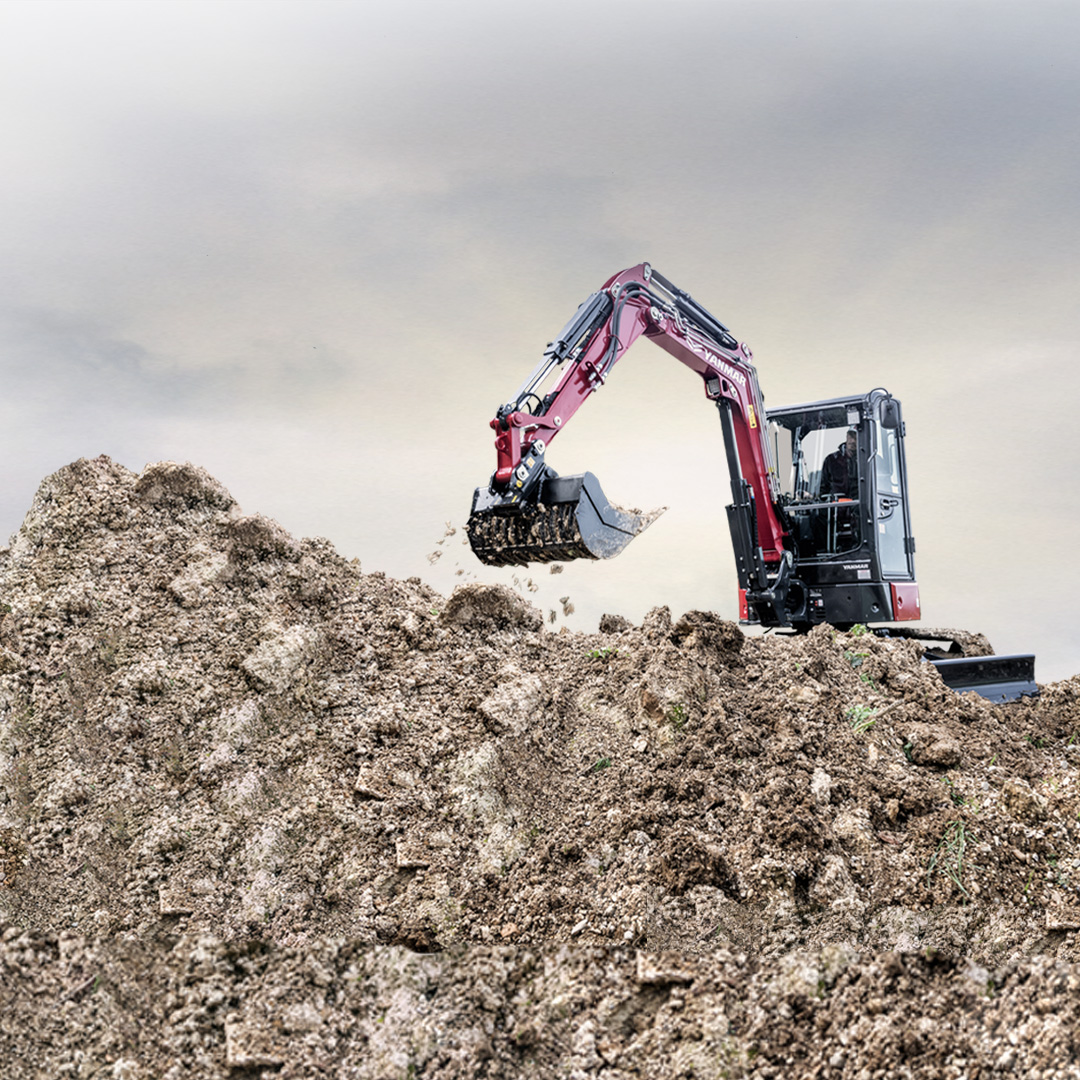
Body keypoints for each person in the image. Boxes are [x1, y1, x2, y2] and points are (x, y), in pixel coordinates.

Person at [823, 429, 858, 499]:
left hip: (862, 506)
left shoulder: (870, 460)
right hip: (836, 506)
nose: (853, 441)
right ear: (846, 437)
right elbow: (823, 488)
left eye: (856, 437)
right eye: (851, 436)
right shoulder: (831, 460)